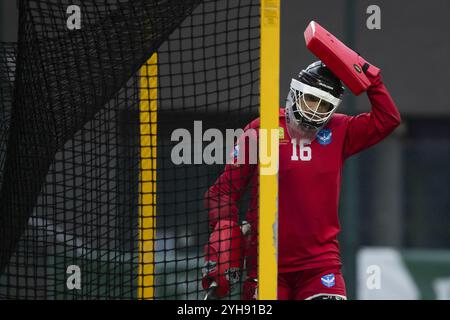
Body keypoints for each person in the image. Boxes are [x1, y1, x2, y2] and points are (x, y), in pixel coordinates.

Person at [202, 60, 401, 300]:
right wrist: (226, 233)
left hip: (320, 266)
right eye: (312, 99)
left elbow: (388, 119)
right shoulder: (260, 130)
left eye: (325, 104)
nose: (316, 109)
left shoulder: (341, 129)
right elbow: (223, 192)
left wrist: (371, 78)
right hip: (266, 266)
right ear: (296, 93)